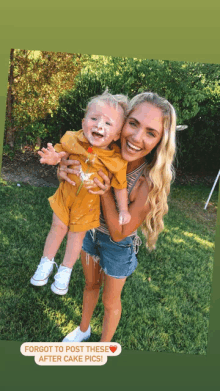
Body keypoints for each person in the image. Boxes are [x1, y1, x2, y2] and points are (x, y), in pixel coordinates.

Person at [59, 91, 177, 343]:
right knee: (90, 285)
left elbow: (118, 232)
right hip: (88, 233)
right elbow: (73, 160)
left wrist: (104, 192)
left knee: (110, 301)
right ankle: (83, 329)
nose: (136, 138)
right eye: (133, 123)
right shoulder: (103, 148)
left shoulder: (147, 182)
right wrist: (63, 167)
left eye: (151, 132)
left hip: (118, 247)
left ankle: (102, 348)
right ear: (122, 121)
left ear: (160, 141)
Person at [30, 91, 131, 295]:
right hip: (65, 196)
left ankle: (65, 272)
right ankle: (46, 263)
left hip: (88, 206)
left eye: (108, 123)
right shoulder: (72, 138)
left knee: (76, 238)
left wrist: (124, 209)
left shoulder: (115, 160)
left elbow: (120, 186)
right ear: (84, 122)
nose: (99, 125)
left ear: (117, 135)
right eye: (94, 118)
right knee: (57, 227)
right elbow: (61, 152)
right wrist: (54, 158)